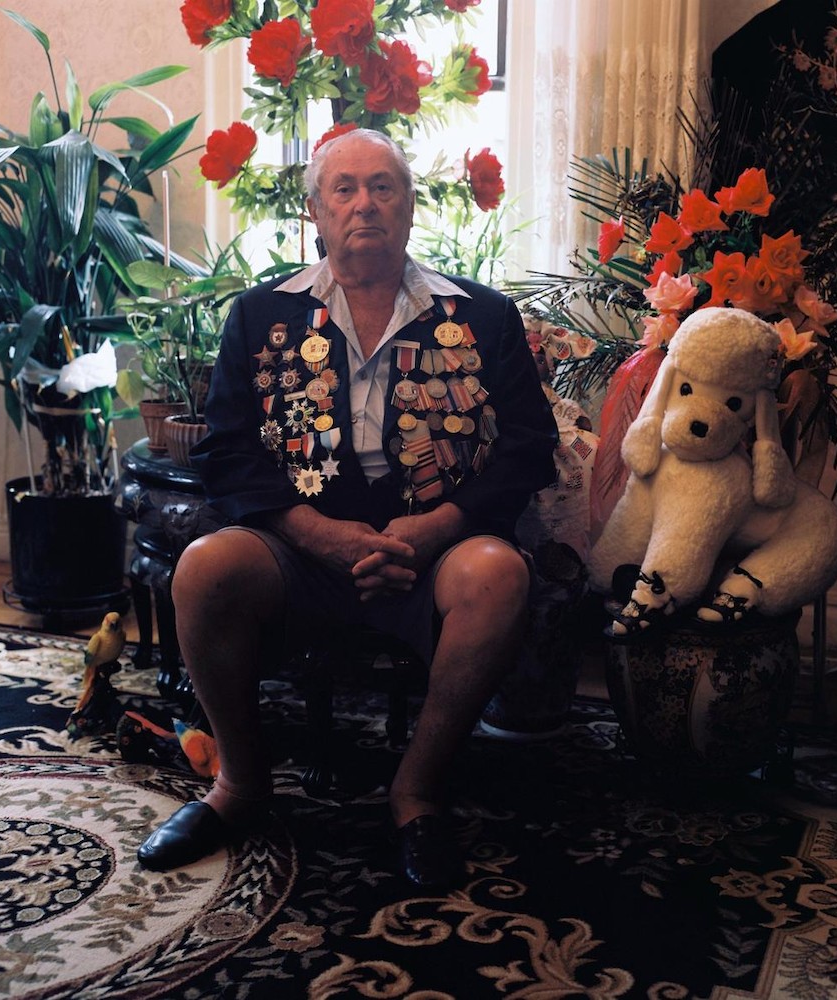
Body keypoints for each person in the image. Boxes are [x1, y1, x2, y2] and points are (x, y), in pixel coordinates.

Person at [136, 129, 558, 888]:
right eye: (345, 188)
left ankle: (417, 793)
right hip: (296, 550)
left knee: (499, 576)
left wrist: (437, 528)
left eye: (383, 187)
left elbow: (527, 447)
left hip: (436, 549)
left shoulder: (484, 317)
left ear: (410, 206)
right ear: (316, 212)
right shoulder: (260, 315)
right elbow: (227, 450)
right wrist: (317, 534)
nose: (365, 204)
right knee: (202, 567)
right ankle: (239, 785)